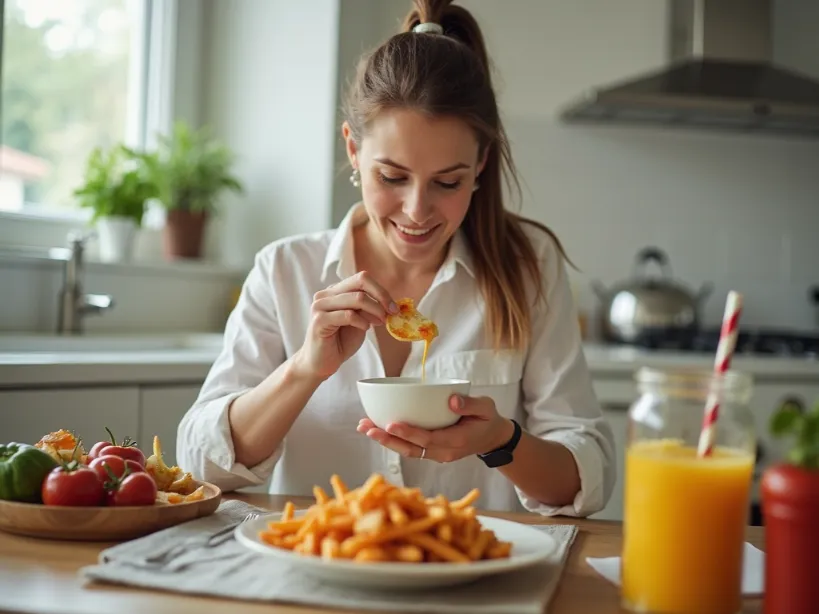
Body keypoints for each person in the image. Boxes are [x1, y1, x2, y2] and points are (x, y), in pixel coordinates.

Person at [177, 0, 615, 517]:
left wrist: (501, 440)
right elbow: (202, 464)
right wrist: (304, 370)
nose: (416, 211)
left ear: (480, 166)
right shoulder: (284, 270)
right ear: (353, 152)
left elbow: (589, 474)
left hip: (468, 581)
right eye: (392, 177)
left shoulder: (528, 266)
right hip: (319, 575)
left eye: (447, 182)